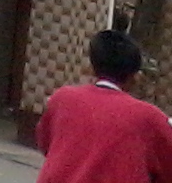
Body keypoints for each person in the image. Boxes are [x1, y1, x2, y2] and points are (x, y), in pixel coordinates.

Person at [35, 29, 172, 183]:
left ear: (91, 68)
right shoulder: (149, 117)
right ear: (136, 77)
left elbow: (45, 142)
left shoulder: (61, 99)